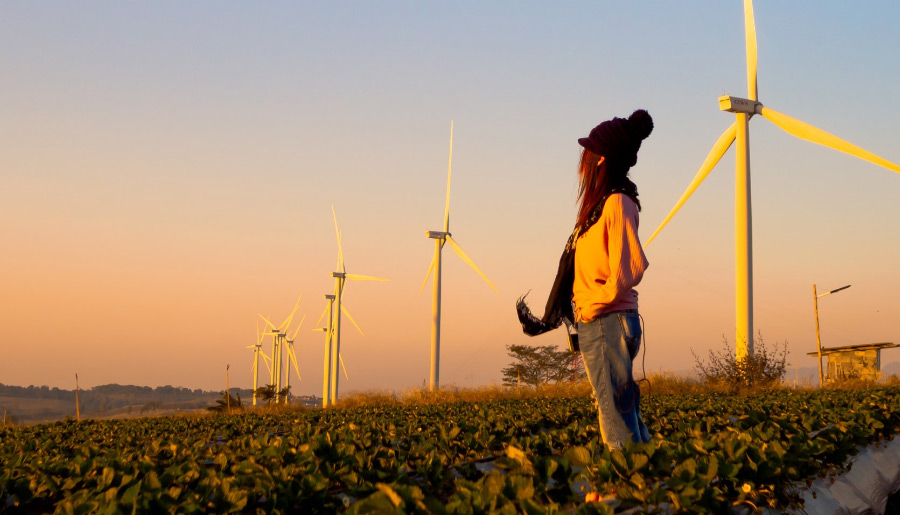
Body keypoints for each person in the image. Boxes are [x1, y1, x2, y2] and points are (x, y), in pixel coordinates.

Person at [573, 109, 653, 449]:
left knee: (615, 418)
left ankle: (625, 490)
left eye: (589, 152)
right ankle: (646, 481)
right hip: (606, 321)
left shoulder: (617, 203)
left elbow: (631, 267)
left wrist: (592, 304)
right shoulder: (605, 204)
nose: (584, 158)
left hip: (607, 322)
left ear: (602, 158)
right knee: (623, 409)